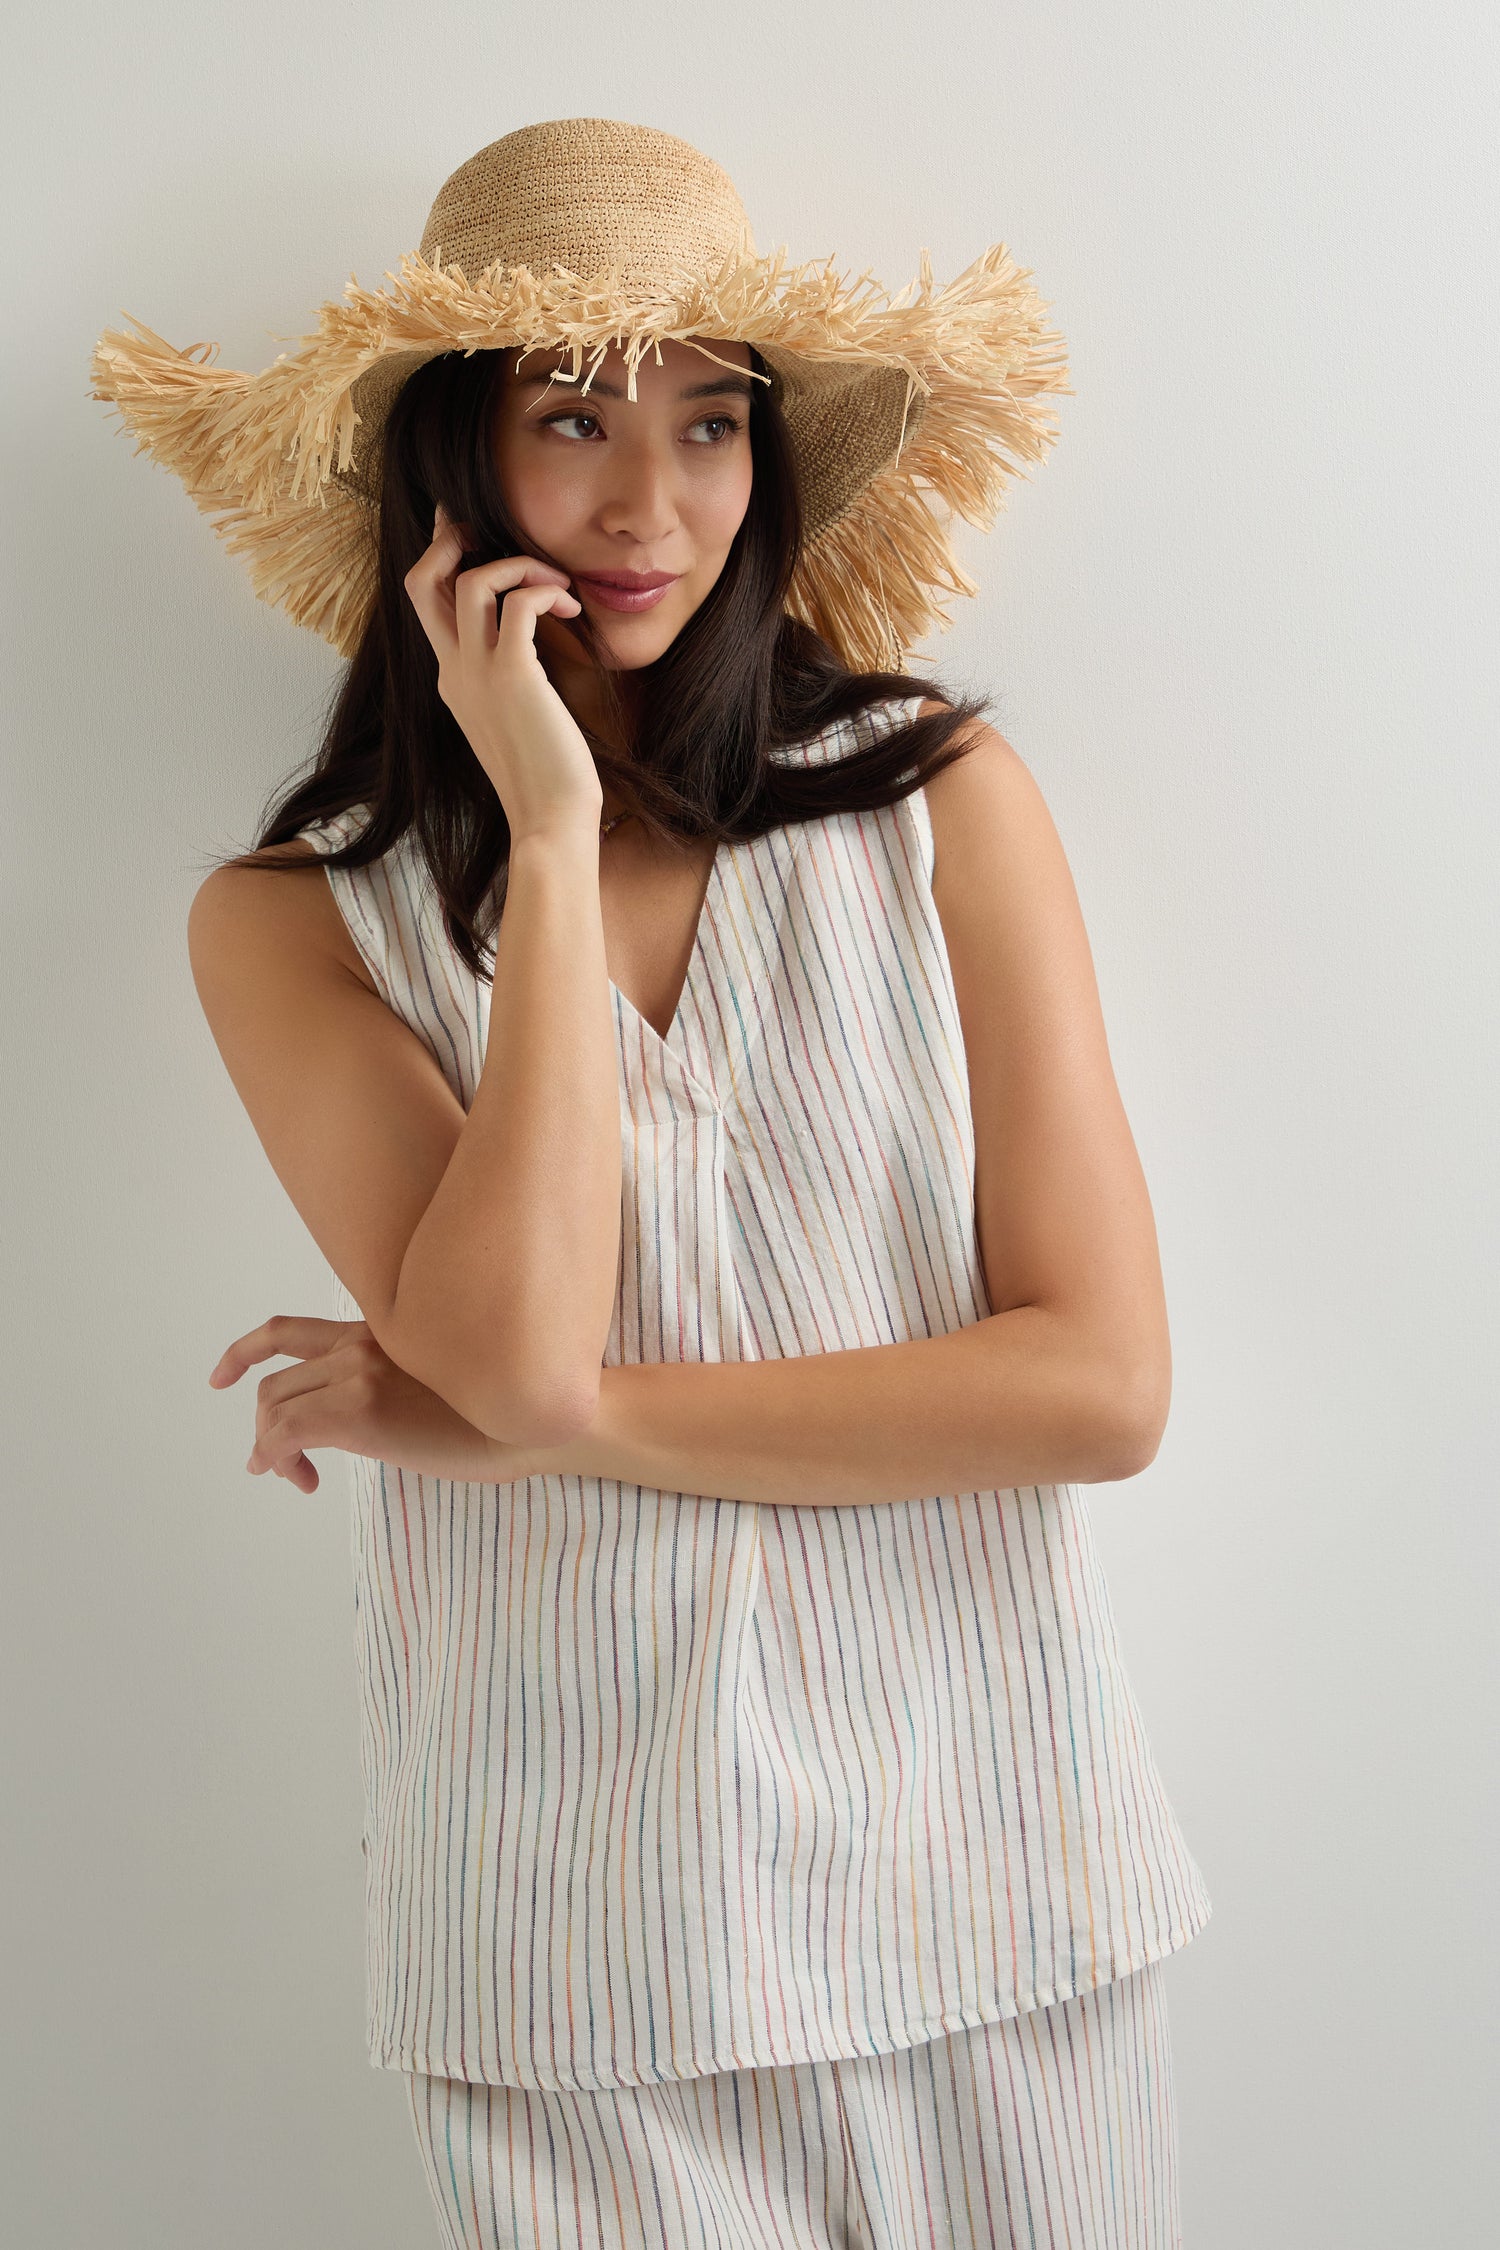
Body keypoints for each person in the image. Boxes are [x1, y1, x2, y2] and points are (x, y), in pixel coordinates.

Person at [91, 117, 1211, 2249]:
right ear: (450, 472)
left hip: (996, 1873)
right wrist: (542, 829)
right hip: (572, 1945)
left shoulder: (939, 808)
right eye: (573, 417)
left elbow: (1099, 1390)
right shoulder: (295, 922)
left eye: (711, 422)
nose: (649, 501)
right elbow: (505, 1350)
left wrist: (574, 1425)